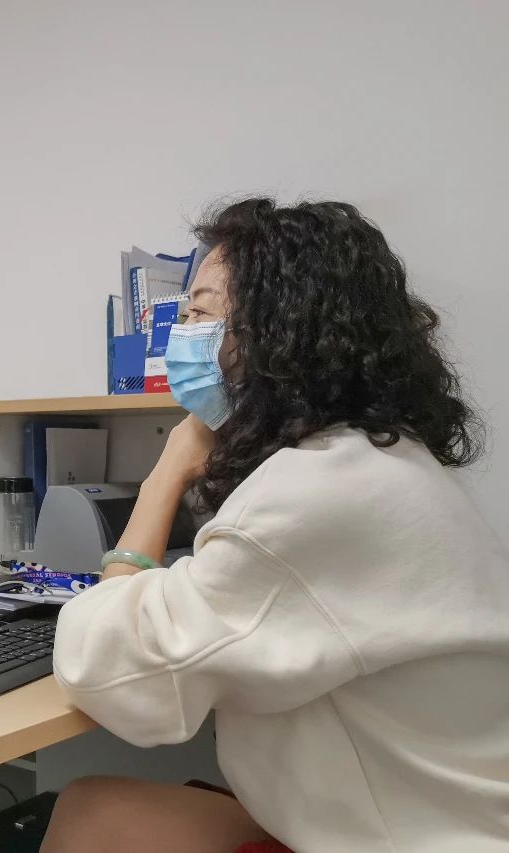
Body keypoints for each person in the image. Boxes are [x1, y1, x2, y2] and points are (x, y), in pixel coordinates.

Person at [43, 198, 509, 852]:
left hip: (427, 836)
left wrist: (167, 470)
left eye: (201, 313)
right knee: (99, 808)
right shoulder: (380, 460)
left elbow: (103, 667)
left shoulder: (315, 492)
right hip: (433, 812)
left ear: (279, 333)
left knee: (93, 815)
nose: (183, 334)